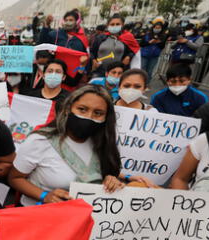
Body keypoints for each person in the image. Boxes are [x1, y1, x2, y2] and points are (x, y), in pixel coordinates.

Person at [9, 85, 150, 206]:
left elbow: (102, 172)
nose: (89, 116)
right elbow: (15, 178)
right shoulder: (40, 140)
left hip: (83, 222)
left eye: (98, 113)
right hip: (41, 218)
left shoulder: (104, 143)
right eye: (82, 109)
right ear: (68, 109)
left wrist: (112, 180)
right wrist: (44, 195)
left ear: (106, 117)